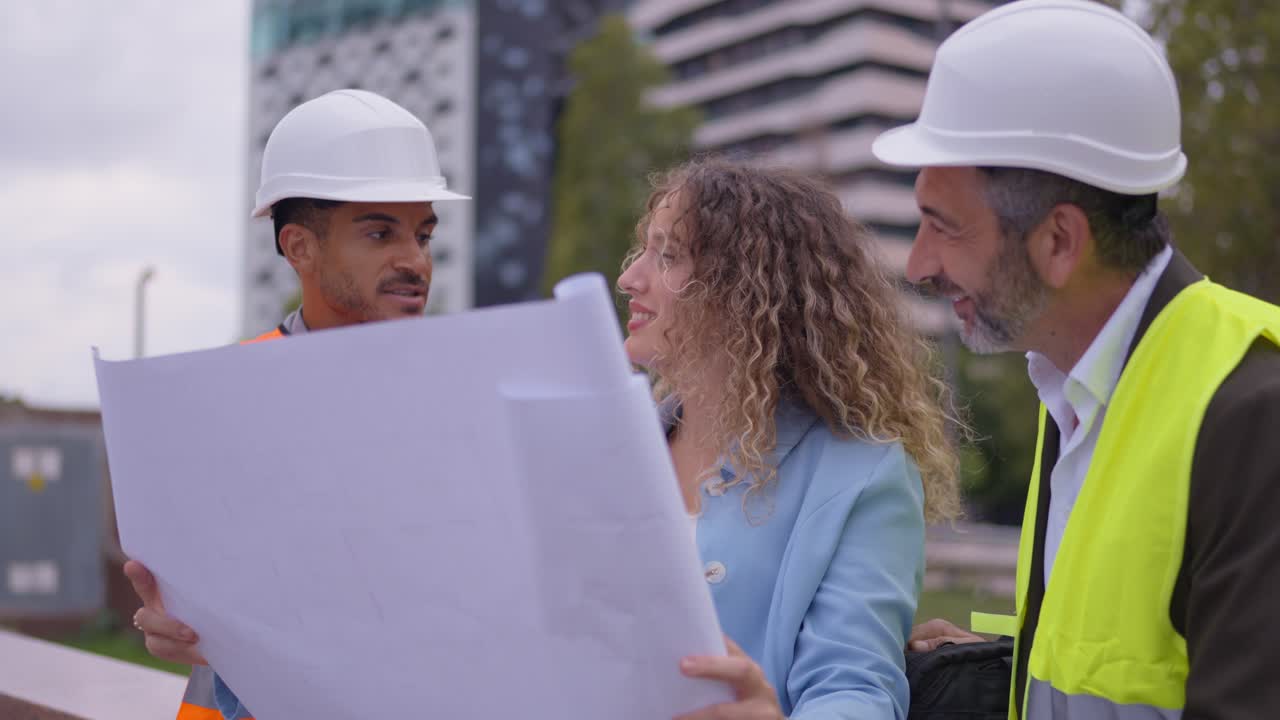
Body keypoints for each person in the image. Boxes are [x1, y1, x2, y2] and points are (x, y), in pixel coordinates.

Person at [872, 1, 1280, 717]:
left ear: (1059, 241)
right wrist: (995, 671)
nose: (918, 263)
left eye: (944, 226)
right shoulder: (1079, 388)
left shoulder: (1256, 410)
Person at [123, 87, 469, 720]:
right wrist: (170, 621)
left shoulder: (469, 399)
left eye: (422, 234)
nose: (414, 261)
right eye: (379, 233)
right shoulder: (221, 402)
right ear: (299, 247)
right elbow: (193, 602)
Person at [617, 158, 962, 719]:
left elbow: (855, 691)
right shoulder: (610, 450)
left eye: (668, 255)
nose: (630, 279)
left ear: (745, 290)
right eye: (645, 252)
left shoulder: (861, 474)